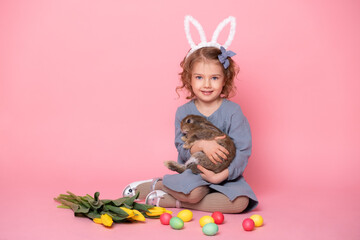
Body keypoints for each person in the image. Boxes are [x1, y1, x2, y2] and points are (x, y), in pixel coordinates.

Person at [122, 16, 258, 213]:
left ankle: (169, 201)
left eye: (214, 78)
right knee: (192, 193)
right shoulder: (184, 112)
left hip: (224, 175)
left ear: (224, 80)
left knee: (240, 202)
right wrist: (200, 145)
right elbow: (182, 147)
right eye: (199, 77)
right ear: (189, 79)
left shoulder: (233, 112)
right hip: (194, 172)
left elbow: (243, 150)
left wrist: (222, 176)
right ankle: (157, 185)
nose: (207, 84)